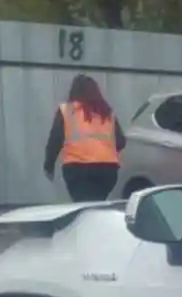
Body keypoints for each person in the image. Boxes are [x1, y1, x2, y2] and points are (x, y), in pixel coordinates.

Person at [43, 74, 123, 202]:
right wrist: (104, 152)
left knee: (84, 207)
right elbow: (120, 142)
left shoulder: (67, 110)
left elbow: (55, 139)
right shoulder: (106, 112)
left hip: (78, 169)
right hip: (107, 170)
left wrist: (49, 166)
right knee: (97, 205)